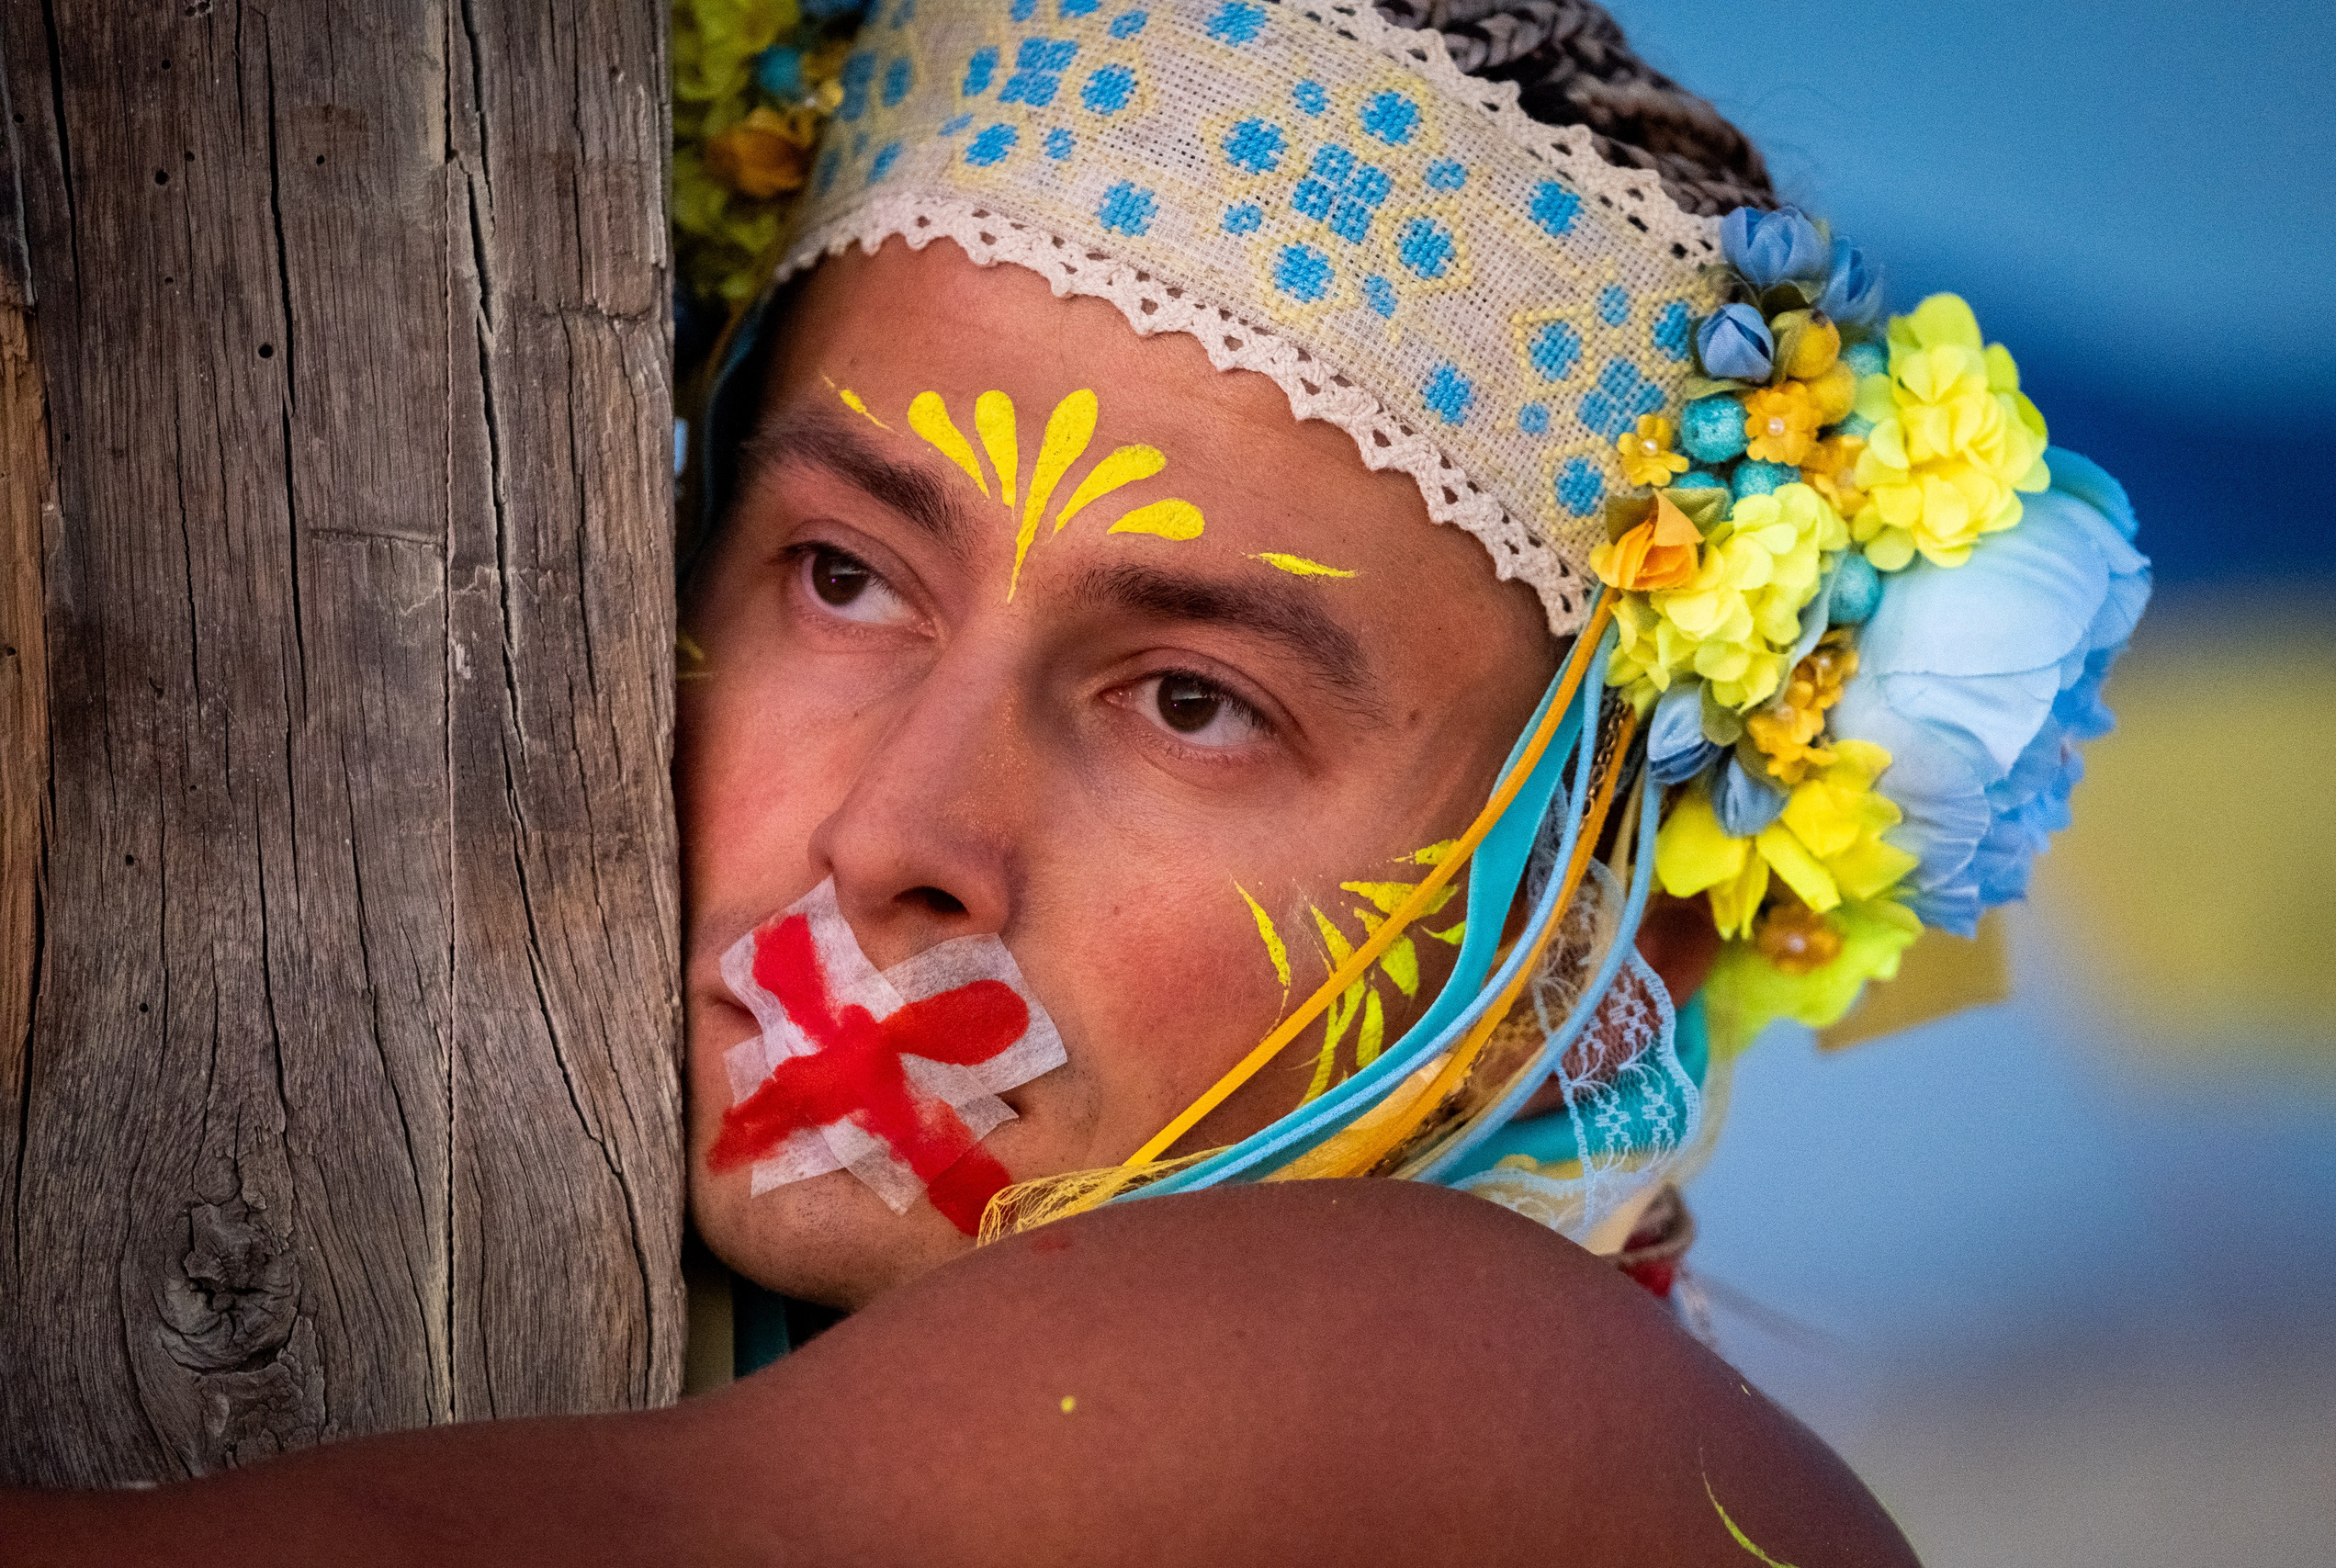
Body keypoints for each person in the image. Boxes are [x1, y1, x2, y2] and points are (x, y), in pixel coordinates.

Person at [6, 0, 2148, 1560]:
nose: (897, 835)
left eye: (1195, 702)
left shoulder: (1447, 1374)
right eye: (841, 575)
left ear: (1608, 913)